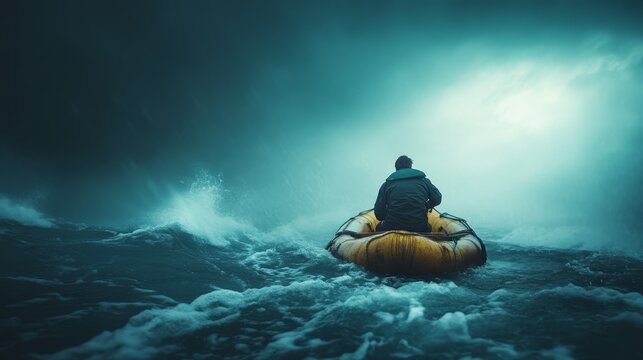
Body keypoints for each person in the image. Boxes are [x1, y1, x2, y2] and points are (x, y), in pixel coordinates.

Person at [374, 155, 442, 232]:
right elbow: (437, 198)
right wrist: (426, 206)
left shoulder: (386, 184)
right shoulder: (424, 181)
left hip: (392, 226)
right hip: (420, 227)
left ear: (396, 168)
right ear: (410, 166)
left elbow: (379, 214)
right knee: (429, 227)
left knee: (378, 228)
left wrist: (389, 214)